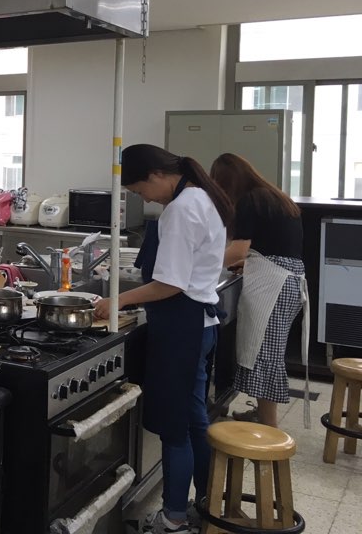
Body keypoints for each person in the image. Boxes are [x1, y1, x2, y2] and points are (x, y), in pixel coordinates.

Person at [93, 145, 232, 534]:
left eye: (140, 190)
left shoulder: (181, 209)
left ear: (155, 175)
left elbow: (169, 284)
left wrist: (118, 300)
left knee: (174, 428)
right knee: (194, 420)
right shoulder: (202, 197)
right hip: (201, 325)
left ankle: (172, 519)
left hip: (181, 328)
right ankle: (205, 504)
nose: (145, 198)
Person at [210, 152, 306, 428]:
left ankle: (268, 426)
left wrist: (199, 263)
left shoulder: (249, 201)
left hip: (273, 283)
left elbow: (238, 250)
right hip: (289, 279)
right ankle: (261, 415)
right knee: (268, 351)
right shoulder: (274, 196)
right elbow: (278, 247)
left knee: (264, 354)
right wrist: (250, 262)